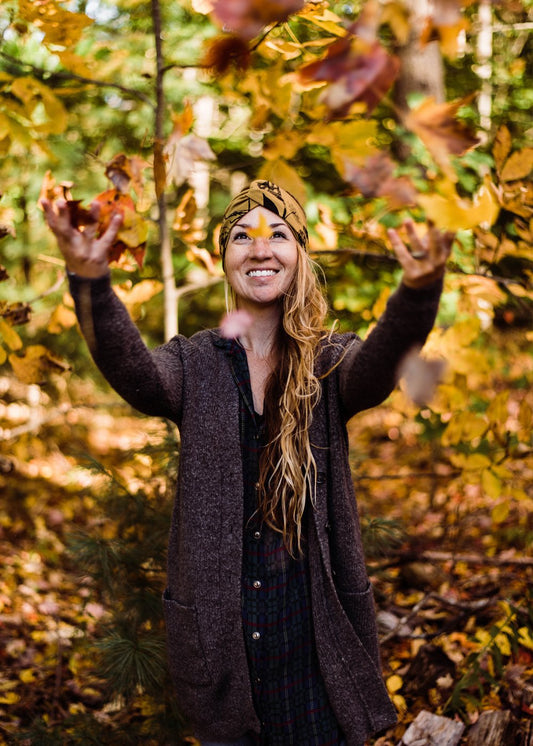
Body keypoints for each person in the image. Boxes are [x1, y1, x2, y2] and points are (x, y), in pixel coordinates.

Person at [42, 180, 452, 746]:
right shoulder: (194, 364)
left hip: (316, 653)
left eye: (278, 234)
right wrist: (90, 280)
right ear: (224, 258)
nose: (260, 249)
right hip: (225, 654)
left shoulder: (329, 364)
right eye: (242, 236)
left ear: (300, 253)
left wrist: (418, 292)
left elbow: (381, 364)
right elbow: (132, 371)